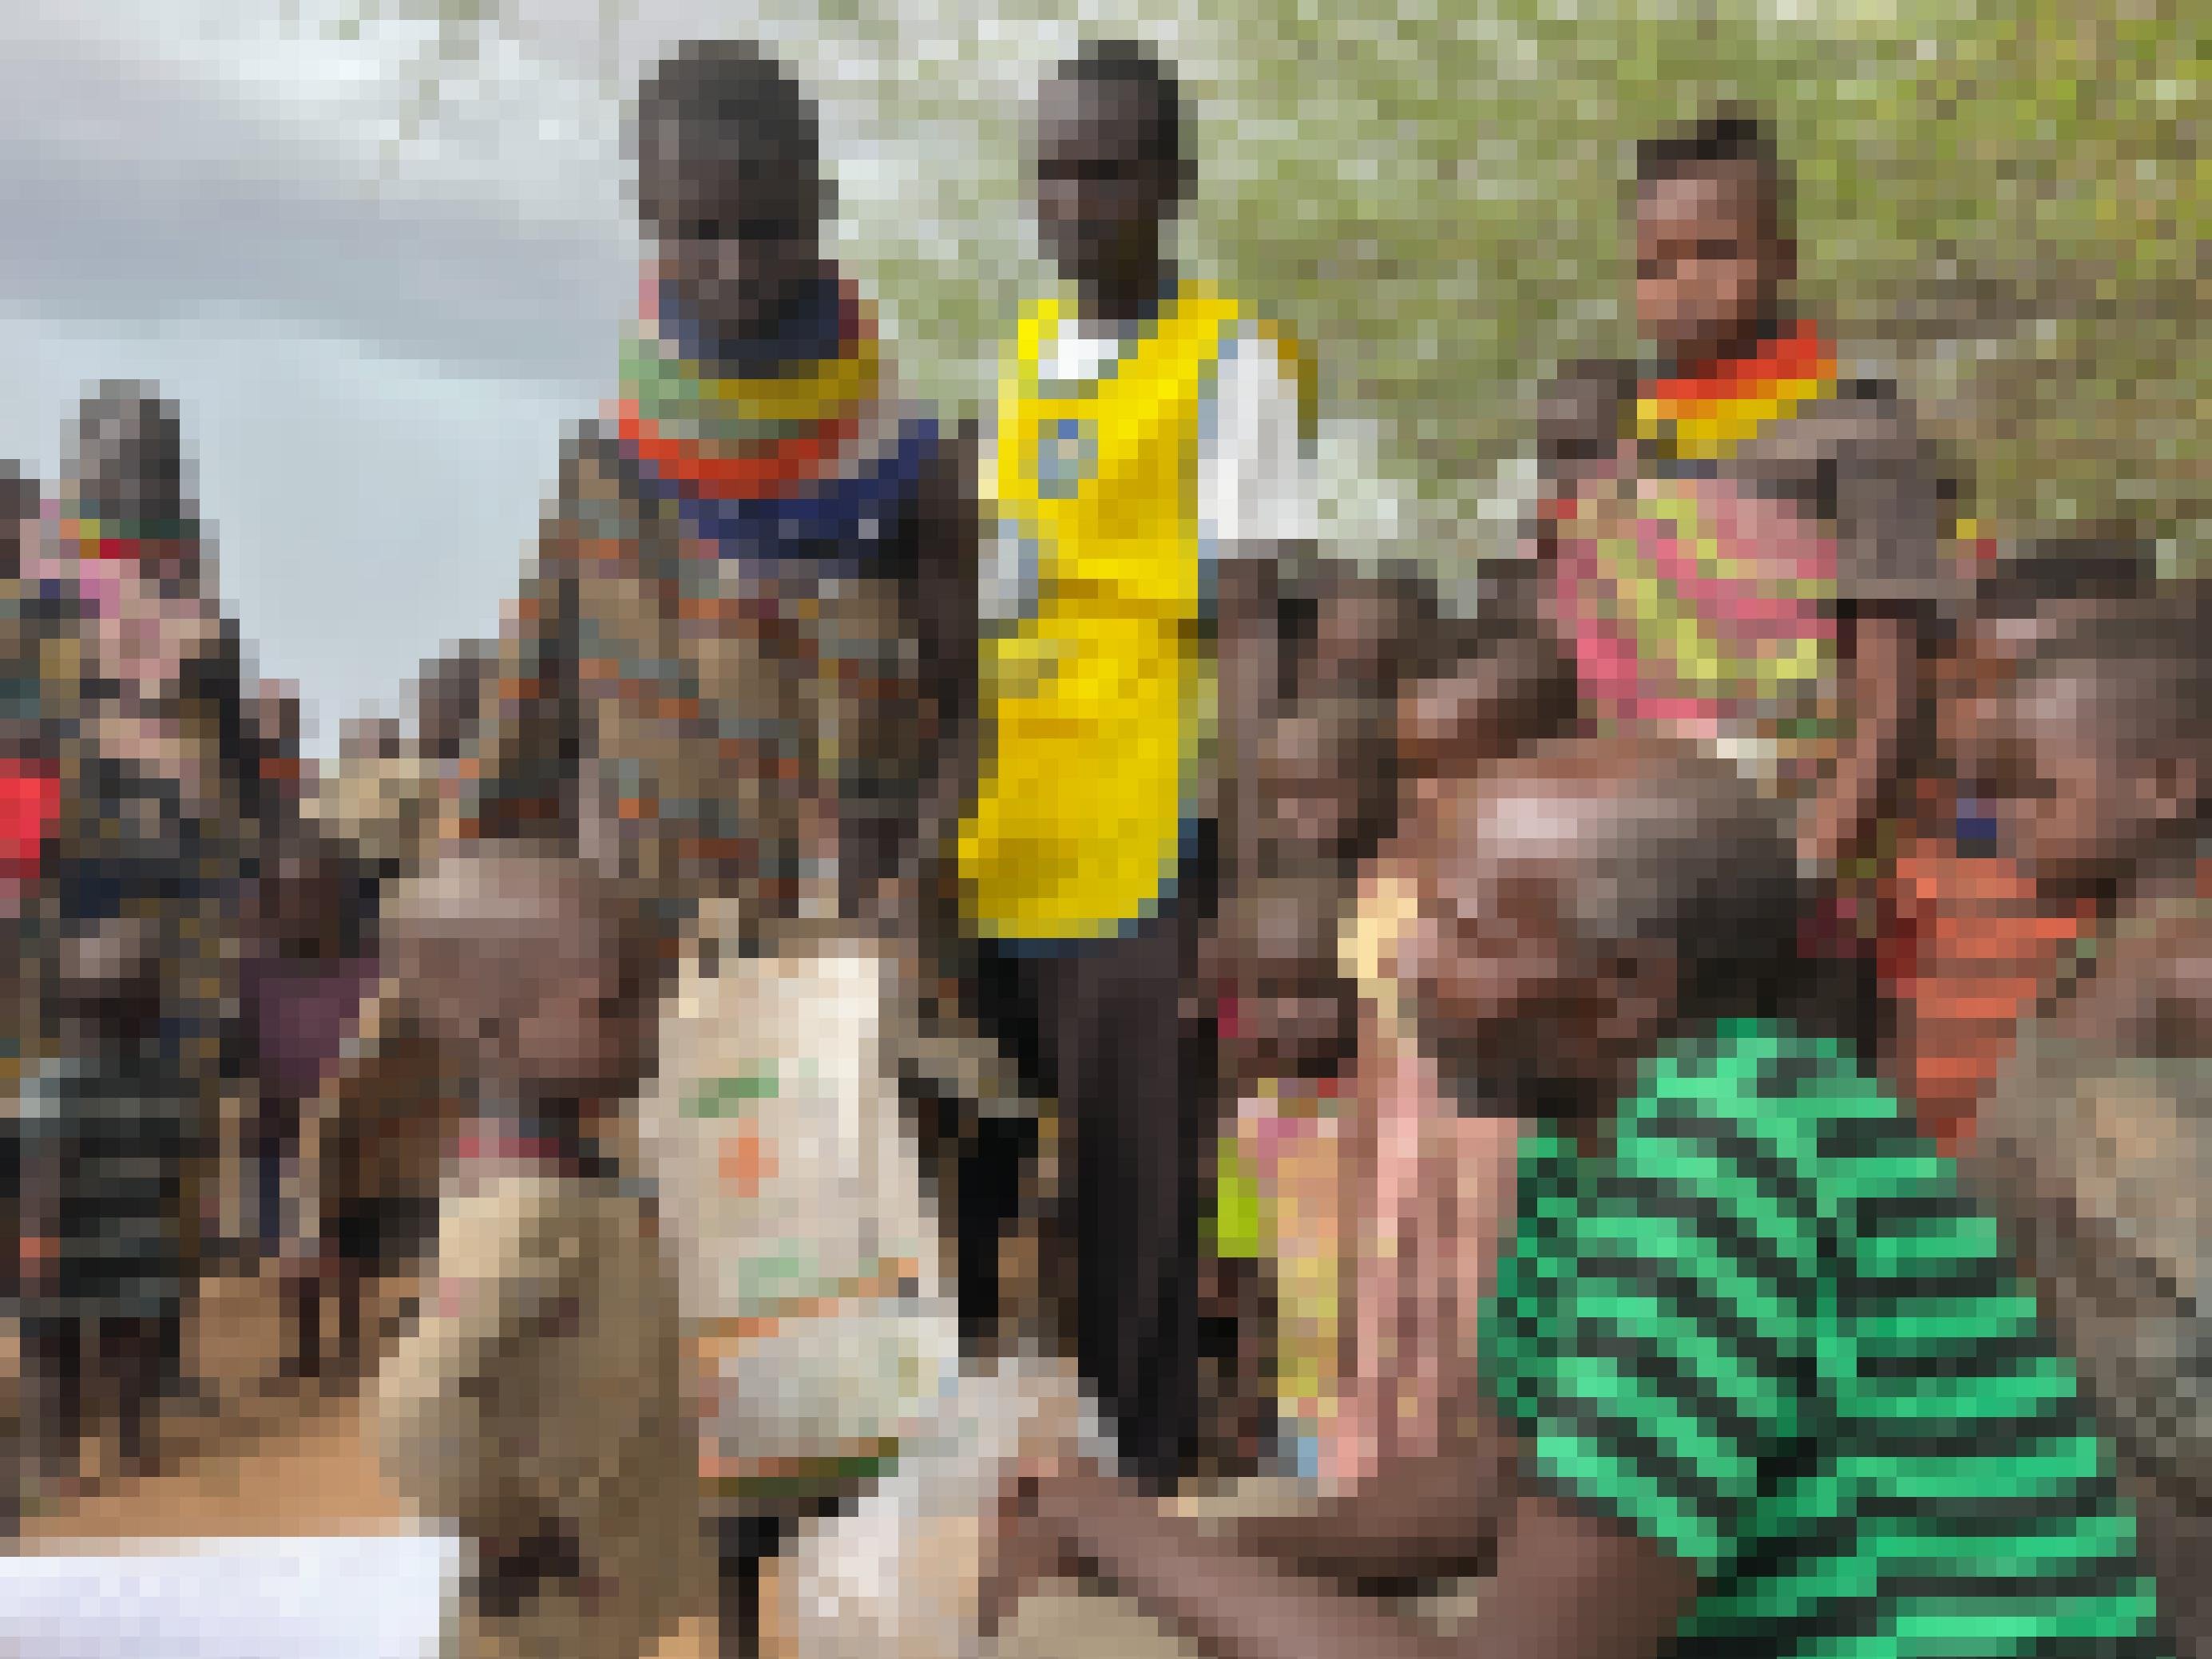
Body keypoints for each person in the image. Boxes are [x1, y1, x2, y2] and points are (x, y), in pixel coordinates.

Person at [970, 736, 2166, 1659]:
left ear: (1623, 991)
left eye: (1460, 930)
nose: (1400, 962)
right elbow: (1501, 1477)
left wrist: (1108, 1525)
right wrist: (1167, 1546)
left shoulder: (1720, 1150)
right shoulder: (1596, 1125)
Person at [954, 37, 1318, 1492]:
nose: (1076, 198)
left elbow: (1250, 623)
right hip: (1014, 803)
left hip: (1144, 806)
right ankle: (979, 1475)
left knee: (1135, 1189)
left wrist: (1242, 866)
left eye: (1108, 169)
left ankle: (1148, 1482)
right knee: (977, 1157)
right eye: (1055, 168)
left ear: (1171, 181)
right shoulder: (1029, 346)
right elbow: (995, 593)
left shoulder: (1235, 357)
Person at [446, 38, 973, 955]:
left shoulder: (906, 471)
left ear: (820, 207)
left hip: (859, 982)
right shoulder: (604, 484)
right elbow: (518, 760)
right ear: (650, 216)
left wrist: (912, 890)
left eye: (767, 228)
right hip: (654, 983)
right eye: (699, 231)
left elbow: (972, 718)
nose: (734, 266)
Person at [1944, 590, 2211, 1657]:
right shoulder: (2090, 963)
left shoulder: (2185, 973)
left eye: (2030, 791)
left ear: (2167, 785)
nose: (1998, 820)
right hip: (2084, 1454)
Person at [371, 843, 705, 1659]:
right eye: (614, 1005)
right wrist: (512, 1528)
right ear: (497, 1028)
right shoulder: (526, 1215)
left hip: (595, 1575)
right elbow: (415, 1407)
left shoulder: (574, 1171)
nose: (650, 1025)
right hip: (553, 1602)